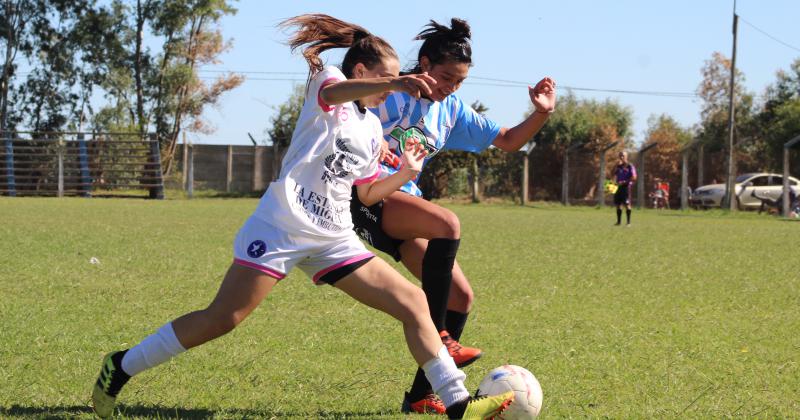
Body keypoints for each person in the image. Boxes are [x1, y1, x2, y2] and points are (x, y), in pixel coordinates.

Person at [90, 14, 514, 420]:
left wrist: (405, 172)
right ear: (361, 71)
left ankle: (458, 406)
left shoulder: (370, 130)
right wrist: (398, 80)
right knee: (224, 317)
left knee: (414, 303)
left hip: (334, 237)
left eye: (391, 90)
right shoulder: (327, 84)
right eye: (383, 86)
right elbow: (336, 96)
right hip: (283, 226)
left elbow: (367, 192)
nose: (388, 96)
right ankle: (122, 365)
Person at [349, 18, 556, 414]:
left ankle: (420, 396)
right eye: (445, 77)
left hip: (404, 204)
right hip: (366, 197)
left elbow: (510, 141)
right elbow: (344, 108)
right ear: (424, 63)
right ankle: (441, 337)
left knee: (462, 296)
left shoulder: (452, 109)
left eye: (459, 81)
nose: (451, 87)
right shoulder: (389, 89)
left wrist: (541, 113)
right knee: (447, 223)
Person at [613, 151, 637, 225]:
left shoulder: (630, 166)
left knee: (627, 204)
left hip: (626, 187)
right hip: (618, 187)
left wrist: (624, 182)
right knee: (618, 204)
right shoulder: (618, 166)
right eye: (620, 156)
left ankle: (628, 222)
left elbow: (634, 177)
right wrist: (615, 166)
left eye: (623, 156)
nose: (621, 157)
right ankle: (618, 222)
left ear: (626, 157)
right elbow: (613, 174)